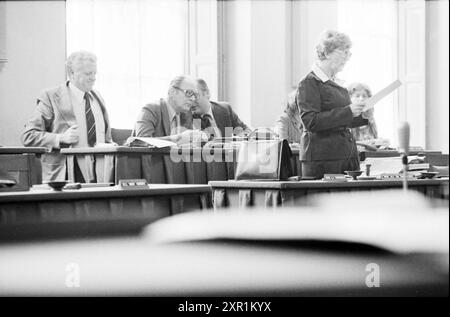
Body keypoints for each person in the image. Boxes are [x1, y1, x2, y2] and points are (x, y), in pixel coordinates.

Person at [21, 51, 113, 182]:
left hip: (101, 174)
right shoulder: (51, 97)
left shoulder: (98, 98)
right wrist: (60, 138)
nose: (93, 78)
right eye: (88, 73)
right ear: (72, 73)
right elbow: (28, 136)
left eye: (94, 73)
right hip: (65, 174)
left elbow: (106, 138)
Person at [296, 30, 370, 179]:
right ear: (327, 52)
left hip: (345, 157)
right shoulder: (309, 82)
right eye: (344, 51)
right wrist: (349, 111)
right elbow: (311, 121)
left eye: (349, 52)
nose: (348, 57)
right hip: (323, 160)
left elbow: (340, 120)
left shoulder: (337, 83)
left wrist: (361, 114)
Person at [133, 75, 207, 144]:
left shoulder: (187, 114)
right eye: (189, 93)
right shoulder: (150, 110)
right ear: (172, 92)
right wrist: (178, 138)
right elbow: (141, 141)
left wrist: (198, 138)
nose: (193, 99)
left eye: (195, 95)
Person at [347, 82, 390, 150]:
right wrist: (372, 142)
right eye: (357, 96)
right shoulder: (347, 118)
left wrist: (381, 143)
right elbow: (349, 144)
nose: (361, 99)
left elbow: (373, 139)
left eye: (364, 96)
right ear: (349, 99)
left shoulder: (370, 118)